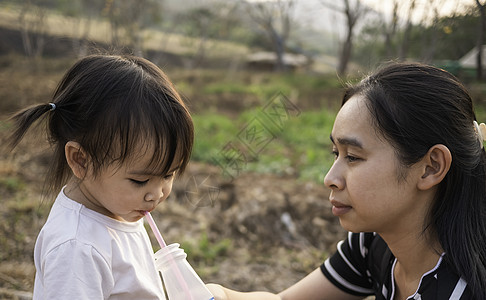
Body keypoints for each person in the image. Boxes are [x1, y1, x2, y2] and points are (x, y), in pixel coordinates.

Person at [207, 62, 486, 300]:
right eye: (335, 153)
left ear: (430, 167)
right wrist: (215, 293)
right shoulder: (374, 244)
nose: (330, 179)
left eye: (352, 157)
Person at [7, 54, 194, 299]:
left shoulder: (119, 207)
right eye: (140, 180)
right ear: (80, 159)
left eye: (168, 175)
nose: (157, 194)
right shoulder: (76, 248)